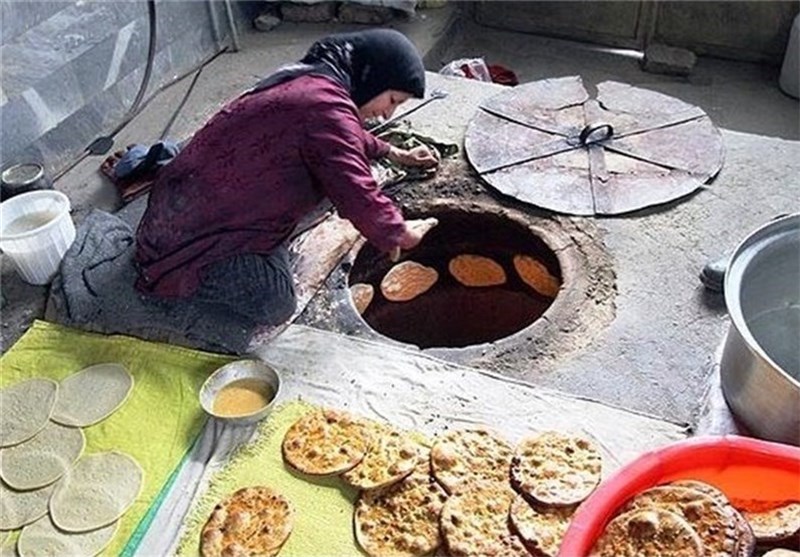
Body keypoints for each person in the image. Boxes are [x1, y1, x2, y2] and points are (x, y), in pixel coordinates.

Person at [134, 28, 438, 332]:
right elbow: (355, 190)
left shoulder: (314, 81)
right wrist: (397, 232)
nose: (388, 114)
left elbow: (344, 135)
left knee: (316, 196)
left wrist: (395, 152)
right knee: (277, 302)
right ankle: (192, 283)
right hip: (187, 241)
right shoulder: (325, 108)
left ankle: (261, 248)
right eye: (392, 99)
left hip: (185, 204)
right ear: (374, 77)